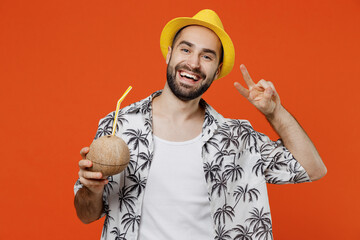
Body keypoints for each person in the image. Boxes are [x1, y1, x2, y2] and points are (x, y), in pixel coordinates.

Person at [74, 9, 327, 240]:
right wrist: (92, 190)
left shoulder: (236, 138)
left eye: (206, 56)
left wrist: (274, 112)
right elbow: (86, 215)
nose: (193, 63)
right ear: (170, 54)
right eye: (186, 50)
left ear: (217, 71)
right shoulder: (120, 124)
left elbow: (312, 168)